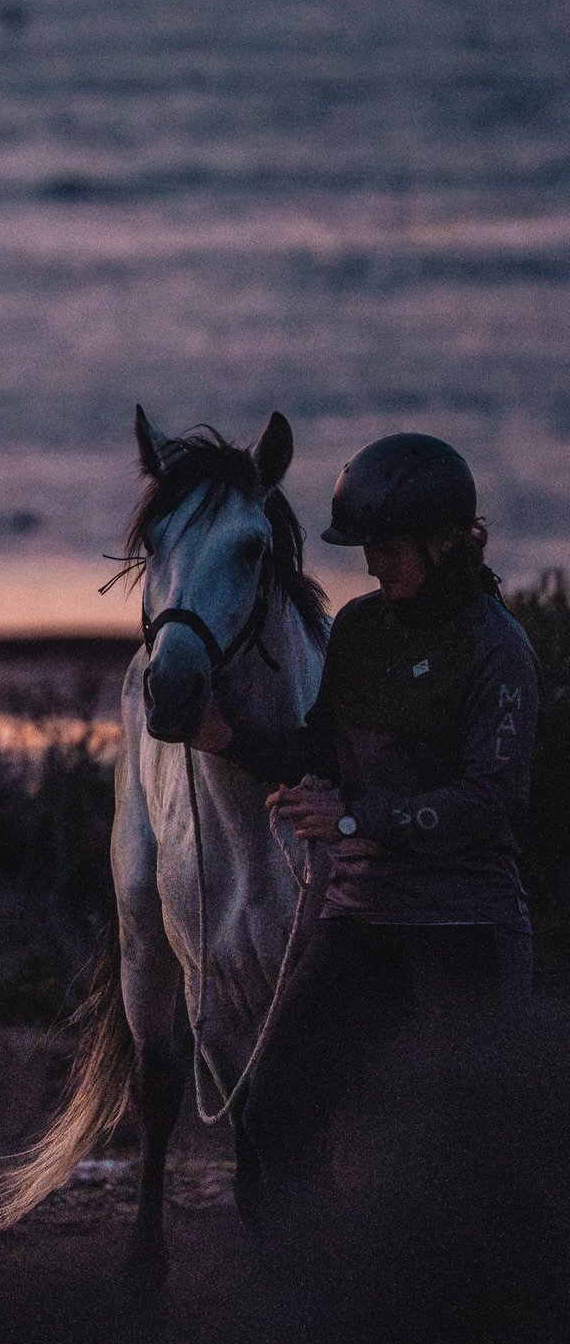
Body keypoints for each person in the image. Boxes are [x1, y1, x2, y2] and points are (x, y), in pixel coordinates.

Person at [197, 432, 539, 1209]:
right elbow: (324, 748)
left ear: (448, 541)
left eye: (386, 547)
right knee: (272, 1115)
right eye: (364, 547)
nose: (371, 563)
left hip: (464, 925)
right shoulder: (358, 628)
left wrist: (352, 821)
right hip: (359, 921)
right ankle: (299, 1312)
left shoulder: (499, 650)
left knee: (476, 1152)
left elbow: (490, 800)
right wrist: (233, 740)